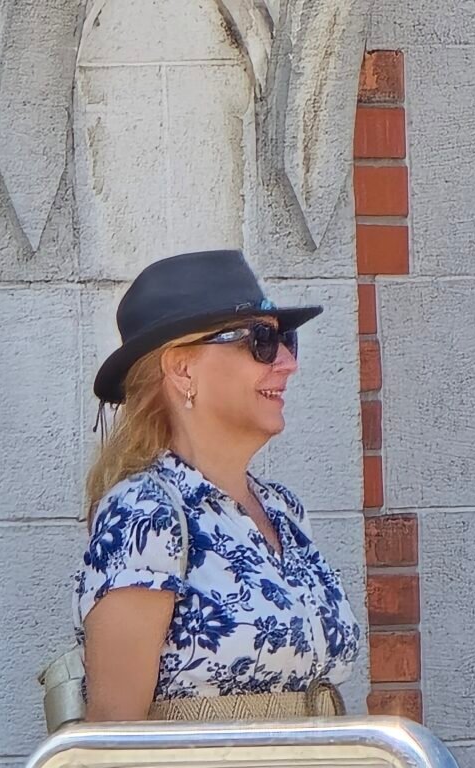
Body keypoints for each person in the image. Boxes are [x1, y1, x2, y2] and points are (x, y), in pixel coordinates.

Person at [73, 249, 361, 722]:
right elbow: (114, 732)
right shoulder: (144, 513)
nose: (287, 362)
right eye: (261, 341)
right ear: (182, 369)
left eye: (285, 339)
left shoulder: (283, 509)